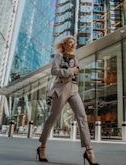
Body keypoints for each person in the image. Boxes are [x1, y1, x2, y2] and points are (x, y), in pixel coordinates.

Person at [36, 35, 99, 165]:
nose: (72, 45)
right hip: (61, 89)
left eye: (74, 43)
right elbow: (54, 71)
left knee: (82, 117)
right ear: (64, 45)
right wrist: (71, 71)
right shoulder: (59, 56)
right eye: (70, 42)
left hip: (74, 89)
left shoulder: (75, 58)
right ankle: (42, 147)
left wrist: (73, 71)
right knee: (52, 118)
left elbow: (76, 72)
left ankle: (89, 151)